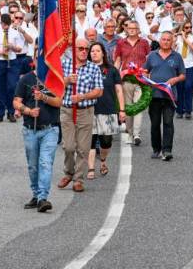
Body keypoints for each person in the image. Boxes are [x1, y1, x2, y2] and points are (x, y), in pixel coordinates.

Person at [13, 61, 63, 213]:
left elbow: (59, 102)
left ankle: (43, 198)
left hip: (50, 129)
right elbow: (16, 102)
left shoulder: (55, 79)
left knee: (45, 163)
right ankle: (36, 195)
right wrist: (27, 111)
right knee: (33, 166)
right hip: (30, 130)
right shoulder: (25, 79)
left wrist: (43, 97)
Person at [58, 38, 104, 193]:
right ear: (74, 50)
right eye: (81, 48)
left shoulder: (93, 68)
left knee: (83, 149)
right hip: (67, 109)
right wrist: (66, 80)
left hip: (85, 110)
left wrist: (83, 96)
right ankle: (69, 172)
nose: (84, 51)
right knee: (69, 146)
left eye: (86, 49)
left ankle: (78, 179)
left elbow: (99, 90)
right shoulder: (64, 65)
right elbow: (53, 86)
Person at [144, 31, 185, 161]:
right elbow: (145, 70)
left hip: (169, 96)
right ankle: (156, 149)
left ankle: (167, 150)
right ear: (159, 41)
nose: (166, 42)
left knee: (168, 123)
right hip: (154, 95)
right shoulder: (152, 55)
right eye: (163, 39)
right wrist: (145, 77)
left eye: (168, 40)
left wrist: (174, 80)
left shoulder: (177, 56)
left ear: (172, 41)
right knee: (155, 124)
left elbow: (183, 75)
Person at [86, 42, 125, 179]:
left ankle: (102, 161)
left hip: (108, 110)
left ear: (103, 53)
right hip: (89, 109)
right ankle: (90, 168)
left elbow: (119, 90)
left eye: (97, 50)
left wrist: (122, 110)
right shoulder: (85, 68)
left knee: (106, 142)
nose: (94, 53)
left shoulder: (112, 70)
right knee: (90, 140)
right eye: (92, 51)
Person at [113, 20, 151, 146]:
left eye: (135, 28)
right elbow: (118, 60)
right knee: (128, 107)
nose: (132, 30)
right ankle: (129, 133)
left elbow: (148, 59)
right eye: (130, 28)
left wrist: (148, 72)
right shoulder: (120, 43)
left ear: (138, 29)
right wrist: (115, 74)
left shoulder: (144, 42)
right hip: (126, 79)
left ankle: (136, 134)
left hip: (140, 79)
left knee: (139, 106)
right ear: (126, 29)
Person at [0, 14, 25, 122]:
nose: (6, 27)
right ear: (1, 24)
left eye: (7, 25)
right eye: (4, 25)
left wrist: (12, 47)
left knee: (12, 87)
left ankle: (11, 112)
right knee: (0, 88)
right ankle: (0, 113)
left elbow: (19, 49)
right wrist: (1, 51)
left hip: (12, 62)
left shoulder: (14, 33)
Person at [174, 20, 193, 120]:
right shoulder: (177, 38)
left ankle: (188, 110)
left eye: (190, 27)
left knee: (188, 87)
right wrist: (175, 40)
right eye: (186, 28)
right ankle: (179, 110)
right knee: (180, 88)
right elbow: (172, 50)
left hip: (191, 65)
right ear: (182, 28)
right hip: (180, 67)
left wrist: (185, 38)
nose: (189, 29)